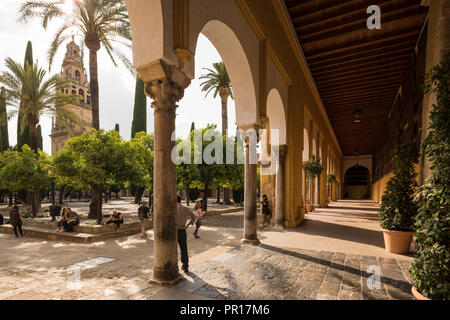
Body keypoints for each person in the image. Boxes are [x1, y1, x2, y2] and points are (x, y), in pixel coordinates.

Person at [176, 195, 196, 273]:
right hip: (182, 230)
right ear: (180, 200)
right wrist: (188, 224)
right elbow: (194, 218)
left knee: (173, 250)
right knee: (184, 249)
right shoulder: (185, 209)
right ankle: (185, 266)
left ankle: (175, 267)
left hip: (173, 231)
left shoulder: (171, 208)